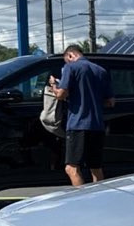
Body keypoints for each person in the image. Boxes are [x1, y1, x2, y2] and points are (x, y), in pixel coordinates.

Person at [48, 45, 115, 186]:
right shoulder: (100, 71)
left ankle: (81, 201)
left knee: (71, 168)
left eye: (66, 60)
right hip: (97, 125)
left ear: (70, 56)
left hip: (78, 124)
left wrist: (54, 86)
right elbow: (110, 102)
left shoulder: (71, 67)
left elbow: (61, 94)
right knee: (96, 168)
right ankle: (99, 200)